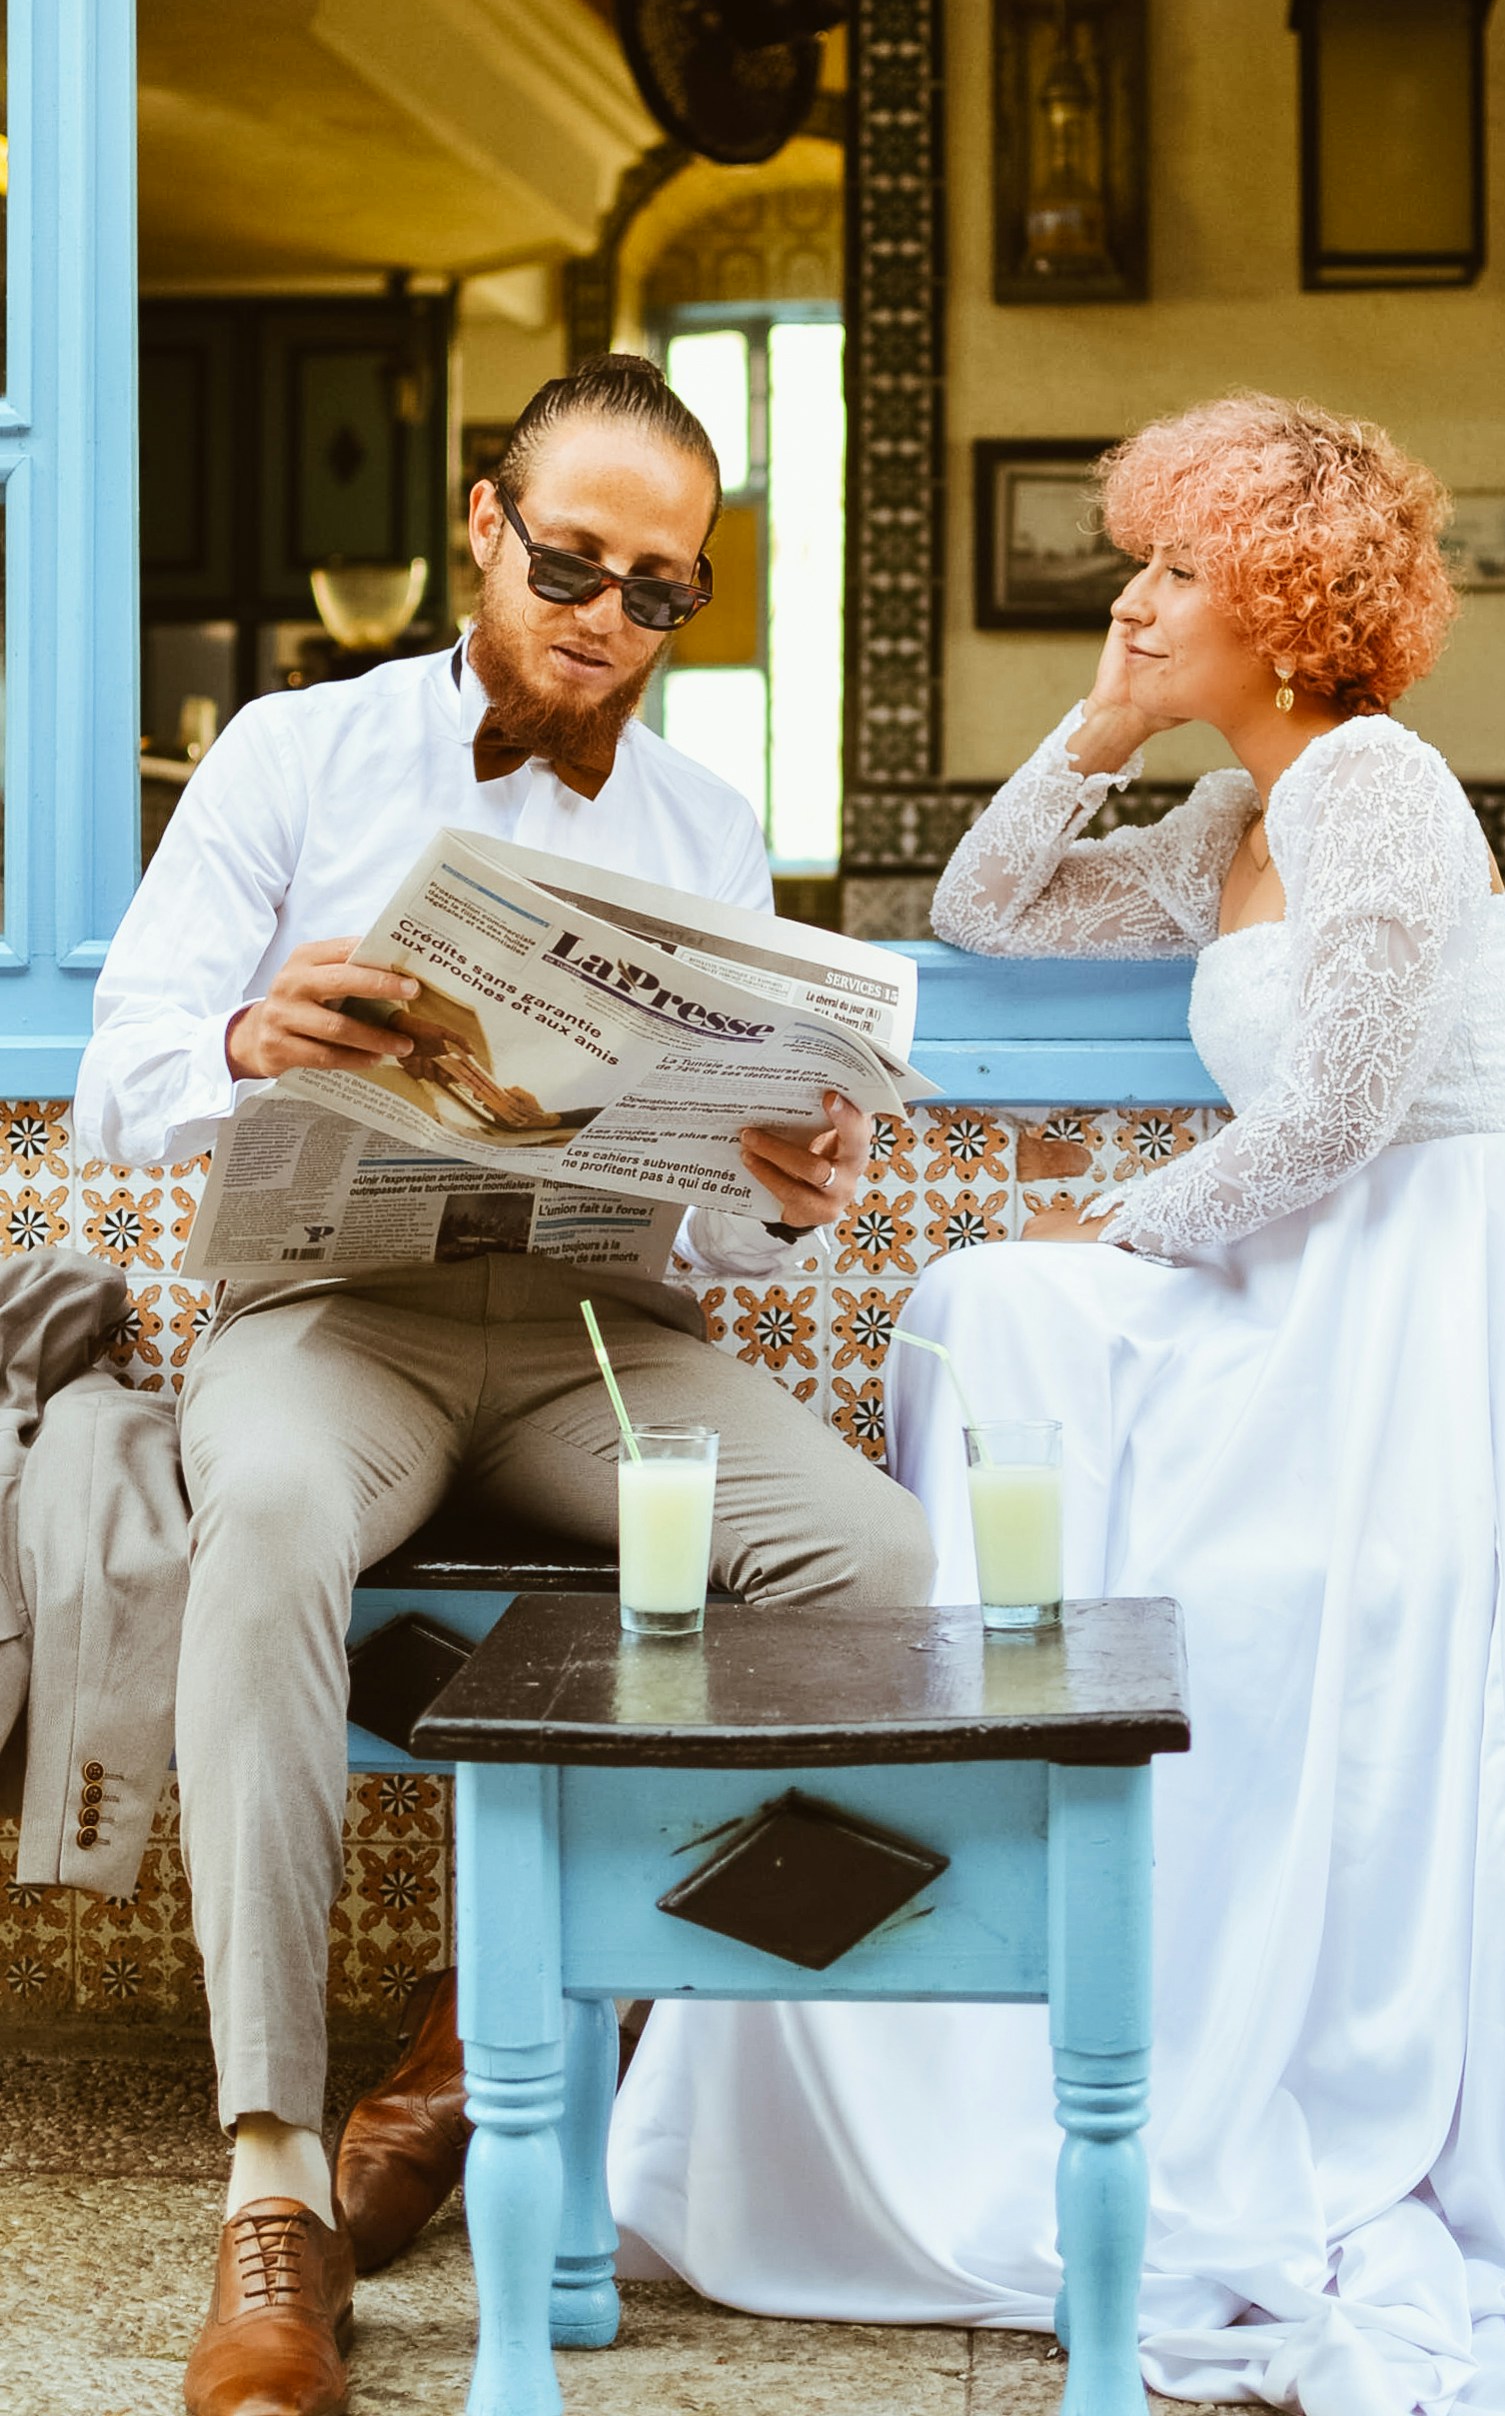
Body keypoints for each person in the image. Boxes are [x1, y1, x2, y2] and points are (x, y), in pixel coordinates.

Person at [608, 391, 1505, 2416]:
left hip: (1428, 1294)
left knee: (1021, 1286)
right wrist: (1102, 725)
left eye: (1179, 571)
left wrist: (1122, 1219)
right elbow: (987, 907)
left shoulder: (1374, 784)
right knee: (985, 1303)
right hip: (1303, 1285)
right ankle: (989, 1758)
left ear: (1287, 606)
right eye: (1140, 563)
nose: (1137, 596)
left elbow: (1343, 1109)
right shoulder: (1229, 817)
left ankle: (1045, 1799)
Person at [76, 354, 934, 2416]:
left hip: (595, 1337)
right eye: (572, 565)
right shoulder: (292, 752)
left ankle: (491, 2034)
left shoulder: (705, 819)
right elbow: (120, 1081)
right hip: (333, 1313)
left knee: (892, 1573)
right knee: (268, 1517)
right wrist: (249, 1047)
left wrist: (783, 1197)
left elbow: (713, 1224)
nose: (610, 617)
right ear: (484, 526)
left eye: (663, 590)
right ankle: (273, 2178)